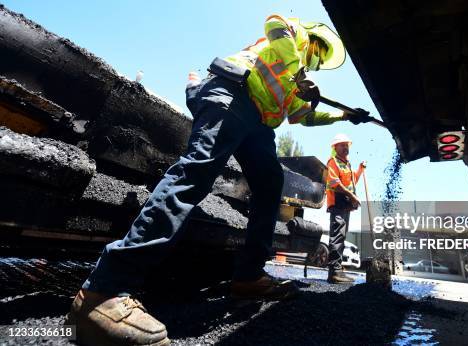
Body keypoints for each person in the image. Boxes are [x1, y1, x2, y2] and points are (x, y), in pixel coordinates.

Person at [66, 15, 370, 346]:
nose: (316, 56)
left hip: (258, 123)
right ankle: (104, 290)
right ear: (311, 39)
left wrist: (344, 115)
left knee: (270, 188)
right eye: (317, 49)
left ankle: (249, 276)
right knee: (197, 173)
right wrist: (297, 71)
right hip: (231, 93)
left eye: (320, 57)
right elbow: (275, 24)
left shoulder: (300, 81)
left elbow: (301, 115)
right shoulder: (291, 35)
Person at [325, 134, 366, 284]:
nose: (345, 147)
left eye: (346, 145)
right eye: (341, 145)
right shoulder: (333, 162)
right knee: (337, 236)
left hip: (346, 205)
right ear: (335, 148)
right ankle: (334, 273)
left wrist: (360, 169)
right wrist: (353, 197)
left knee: (341, 237)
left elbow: (352, 182)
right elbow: (335, 184)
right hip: (337, 203)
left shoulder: (346, 164)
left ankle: (338, 269)